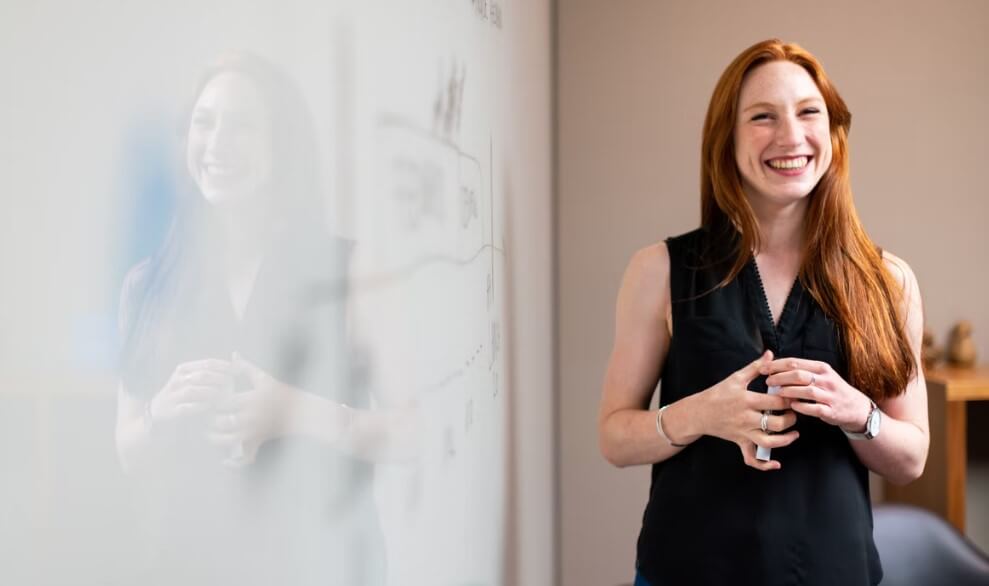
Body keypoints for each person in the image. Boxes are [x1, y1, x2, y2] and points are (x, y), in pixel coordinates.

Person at [598, 39, 929, 586]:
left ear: (834, 133)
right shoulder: (658, 270)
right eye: (762, 117)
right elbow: (613, 437)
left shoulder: (888, 281)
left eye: (808, 113)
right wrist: (699, 415)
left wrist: (856, 412)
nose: (791, 136)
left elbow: (911, 458)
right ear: (725, 138)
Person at [115, 52, 390, 586]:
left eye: (242, 126)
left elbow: (418, 429)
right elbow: (127, 450)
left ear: (281, 145)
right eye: (204, 122)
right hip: (186, 565)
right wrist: (160, 411)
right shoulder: (146, 284)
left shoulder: (350, 271)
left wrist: (295, 410)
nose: (217, 144)